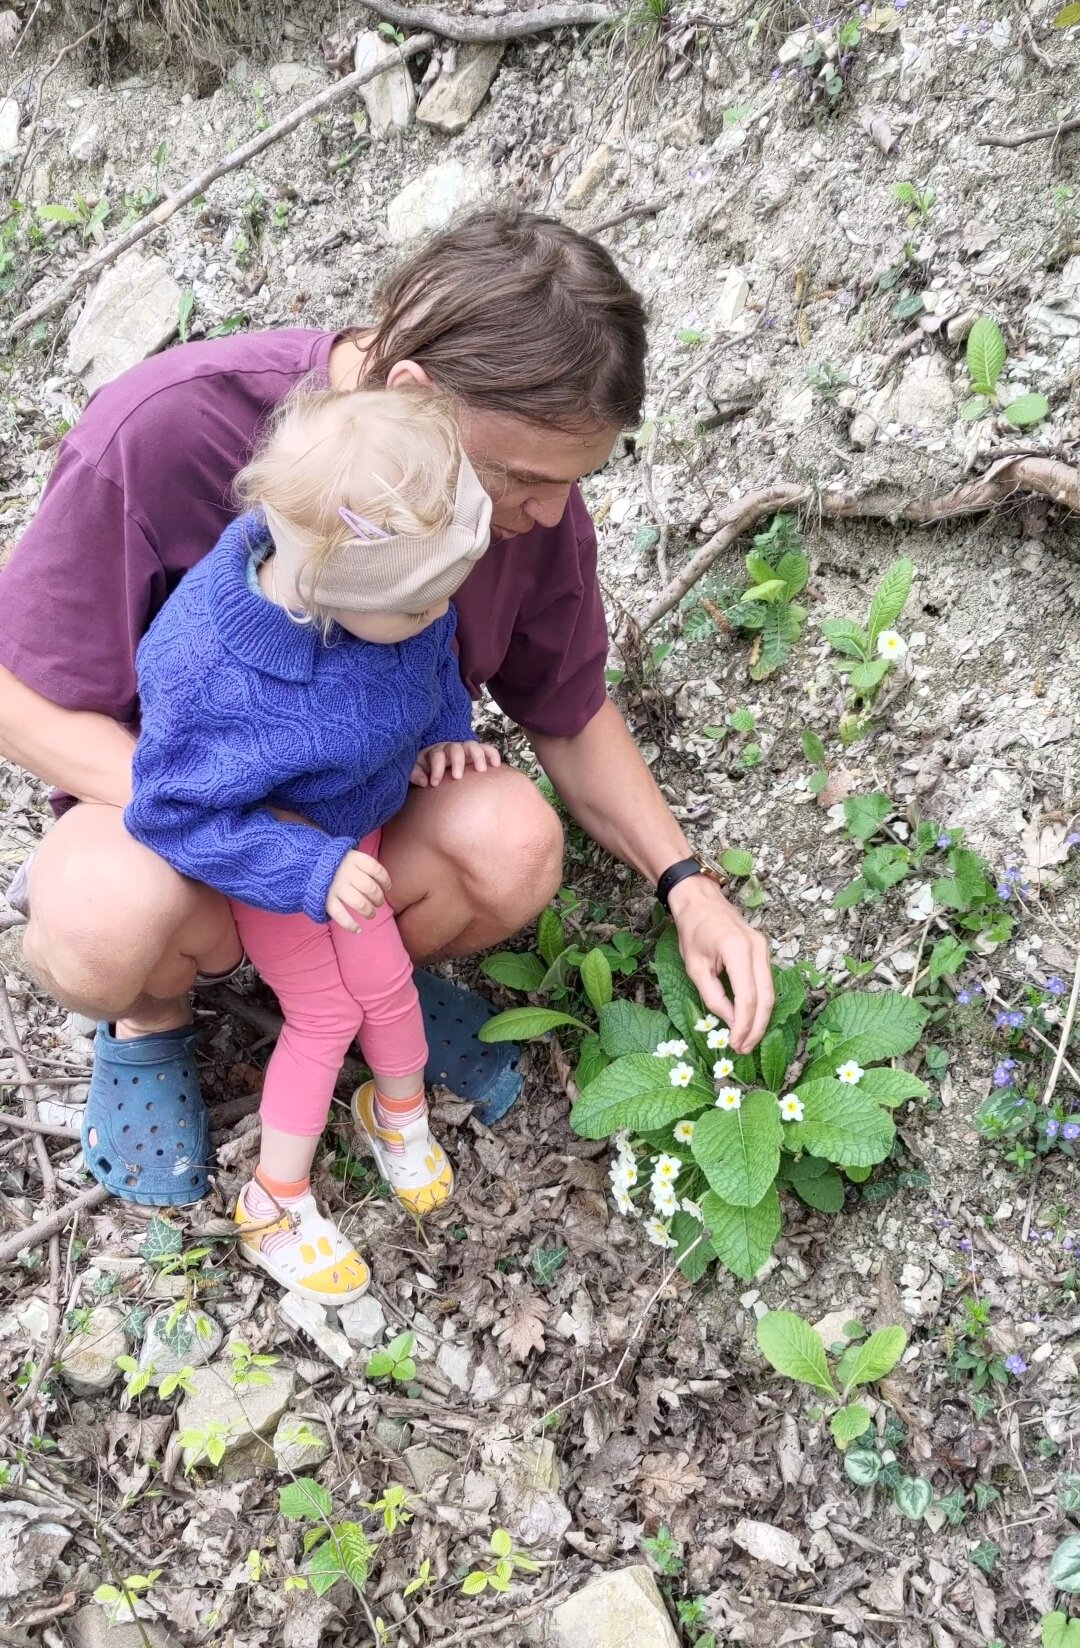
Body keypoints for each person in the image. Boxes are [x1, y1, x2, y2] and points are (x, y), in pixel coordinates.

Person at [0, 209, 773, 1222]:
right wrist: (238, 827)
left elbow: (570, 710)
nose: (547, 514)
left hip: (356, 819)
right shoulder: (169, 431)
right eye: (528, 480)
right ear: (417, 395)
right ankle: (152, 1018)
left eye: (573, 483)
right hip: (177, 829)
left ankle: (360, 996)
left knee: (511, 843)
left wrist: (687, 884)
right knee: (100, 920)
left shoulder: (524, 502)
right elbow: (18, 697)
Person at [121, 386, 496, 1302]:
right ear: (329, 587)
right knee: (326, 1013)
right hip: (276, 860)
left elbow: (431, 652)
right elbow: (169, 811)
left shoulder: (402, 595)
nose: (440, 614)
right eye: (419, 605)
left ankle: (394, 1109)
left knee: (385, 979)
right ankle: (273, 1198)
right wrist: (304, 868)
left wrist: (447, 723)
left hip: (354, 839)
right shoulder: (211, 667)